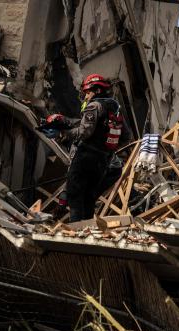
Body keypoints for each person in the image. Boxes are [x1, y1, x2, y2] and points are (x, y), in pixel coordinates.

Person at [43, 74, 130, 222]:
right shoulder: (115, 108)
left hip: (86, 157)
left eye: (87, 92)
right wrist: (106, 148)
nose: (85, 96)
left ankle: (77, 230)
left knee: (75, 196)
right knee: (89, 198)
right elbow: (125, 136)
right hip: (103, 160)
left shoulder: (94, 106)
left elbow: (85, 132)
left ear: (96, 90)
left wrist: (62, 132)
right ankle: (87, 230)